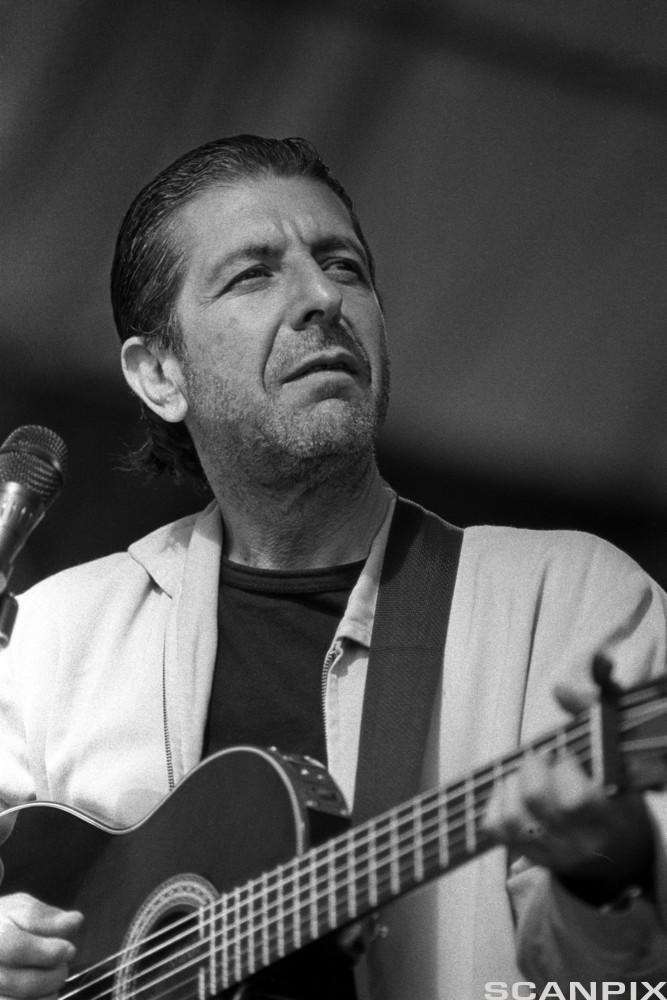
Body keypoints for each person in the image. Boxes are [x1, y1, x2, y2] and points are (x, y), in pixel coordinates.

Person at [0, 134, 666, 1000]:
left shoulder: (570, 604)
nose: (321, 297)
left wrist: (607, 879)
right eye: (253, 274)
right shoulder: (55, 639)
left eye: (343, 265)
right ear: (160, 374)